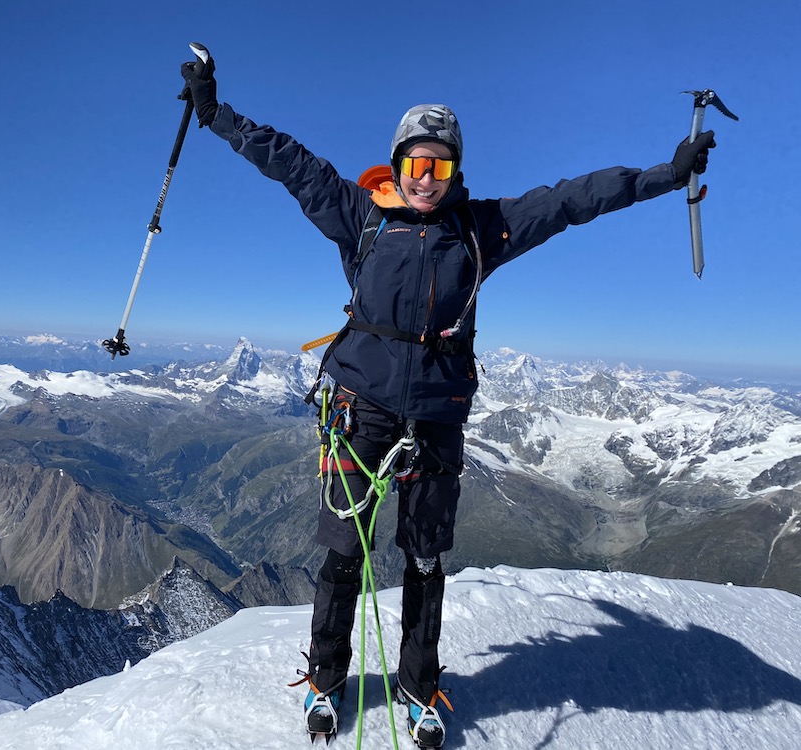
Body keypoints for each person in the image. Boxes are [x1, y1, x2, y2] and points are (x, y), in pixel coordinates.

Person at [179, 52, 715, 748]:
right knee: (345, 554)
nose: (427, 179)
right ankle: (325, 678)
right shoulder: (359, 215)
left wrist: (662, 178)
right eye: (416, 165)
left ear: (456, 171)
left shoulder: (482, 228)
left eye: (441, 167)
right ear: (396, 165)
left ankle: (418, 686)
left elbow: (569, 201)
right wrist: (216, 114)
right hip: (361, 411)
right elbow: (288, 161)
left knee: (426, 560)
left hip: (435, 418)